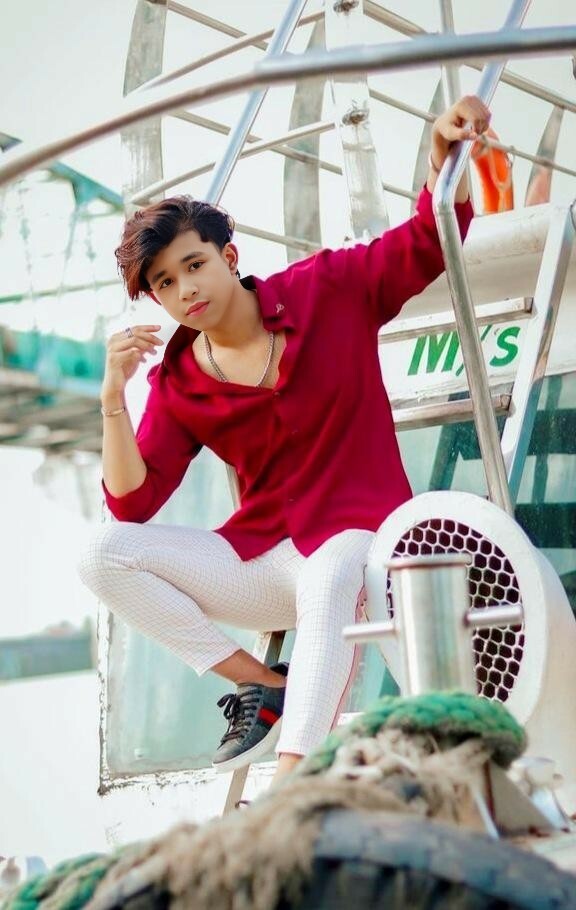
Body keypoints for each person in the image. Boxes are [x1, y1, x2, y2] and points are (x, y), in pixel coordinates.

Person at [79, 95, 490, 783]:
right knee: (100, 553)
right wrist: (111, 399)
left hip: (364, 540)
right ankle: (259, 681)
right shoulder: (179, 380)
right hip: (266, 558)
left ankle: (293, 782)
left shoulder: (328, 288)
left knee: (331, 571)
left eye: (194, 265)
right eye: (165, 283)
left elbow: (426, 241)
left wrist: (442, 155)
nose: (185, 289)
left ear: (228, 256)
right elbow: (132, 504)